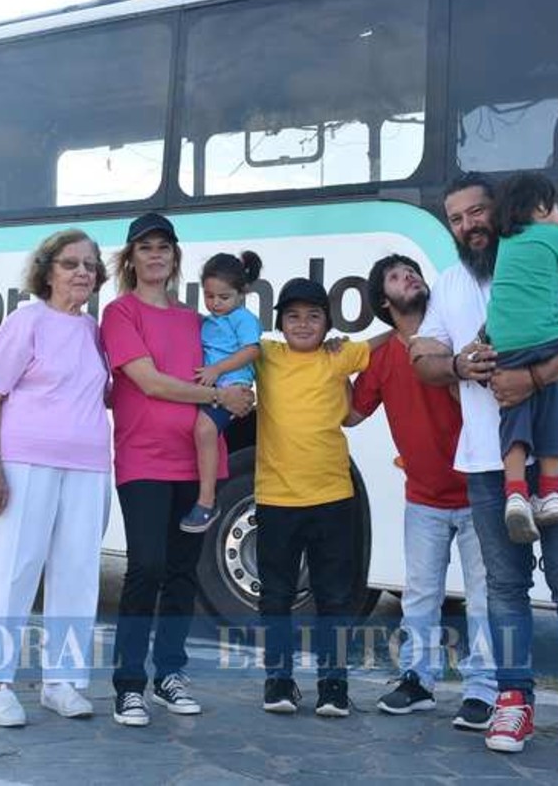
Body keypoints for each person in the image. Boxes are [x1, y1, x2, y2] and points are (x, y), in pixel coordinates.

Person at [411, 173, 558, 773]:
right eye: (457, 219)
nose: (469, 225)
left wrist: (533, 377)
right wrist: (454, 362)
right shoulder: (449, 284)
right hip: (485, 464)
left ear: (498, 213)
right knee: (503, 590)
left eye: (477, 212)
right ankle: (512, 700)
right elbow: (422, 355)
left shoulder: (540, 254)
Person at [102, 212, 255, 727]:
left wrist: (241, 395)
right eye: (144, 247)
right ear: (131, 258)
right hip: (143, 461)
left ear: (174, 257)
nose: (154, 255)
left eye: (163, 246)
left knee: (182, 572)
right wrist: (219, 393)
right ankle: (128, 685)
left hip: (194, 465)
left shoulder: (197, 319)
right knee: (146, 567)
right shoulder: (120, 314)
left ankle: (169, 674)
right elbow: (151, 383)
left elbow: (240, 361)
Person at [344, 254, 498, 730]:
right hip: (424, 496)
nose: (408, 276)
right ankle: (418, 680)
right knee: (420, 596)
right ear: (384, 300)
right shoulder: (382, 355)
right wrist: (324, 365)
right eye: (394, 274)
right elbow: (351, 414)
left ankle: (484, 690)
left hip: (478, 492)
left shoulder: (456, 336)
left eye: (410, 270)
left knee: (485, 598)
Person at [0, 229, 112, 727]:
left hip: (89, 466)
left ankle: (62, 682)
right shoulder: (26, 321)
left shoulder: (95, 332)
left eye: (90, 266)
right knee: (14, 570)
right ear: (47, 270)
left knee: (76, 573)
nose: (81, 273)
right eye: (71, 263)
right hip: (26, 463)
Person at [255, 277, 371, 718]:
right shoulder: (266, 357)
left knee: (335, 596)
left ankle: (333, 685)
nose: (303, 324)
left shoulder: (338, 357)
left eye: (314, 316)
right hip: (276, 499)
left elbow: (385, 342)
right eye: (293, 316)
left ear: (328, 323)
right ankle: (278, 682)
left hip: (333, 497)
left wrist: (345, 343)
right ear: (280, 323)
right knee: (276, 596)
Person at [484, 172, 558, 544]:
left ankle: (516, 493)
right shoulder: (555, 236)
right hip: (545, 337)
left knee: (513, 415)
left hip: (504, 341)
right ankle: (549, 493)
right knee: (549, 408)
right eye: (554, 206)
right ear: (540, 207)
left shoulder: (505, 241)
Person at [181, 250, 264, 533]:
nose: (215, 303)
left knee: (205, 431)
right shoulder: (209, 321)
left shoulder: (243, 318)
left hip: (232, 385)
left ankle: (206, 501)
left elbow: (252, 350)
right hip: (214, 385)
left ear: (242, 293)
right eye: (209, 296)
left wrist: (217, 371)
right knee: (200, 432)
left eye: (223, 297)